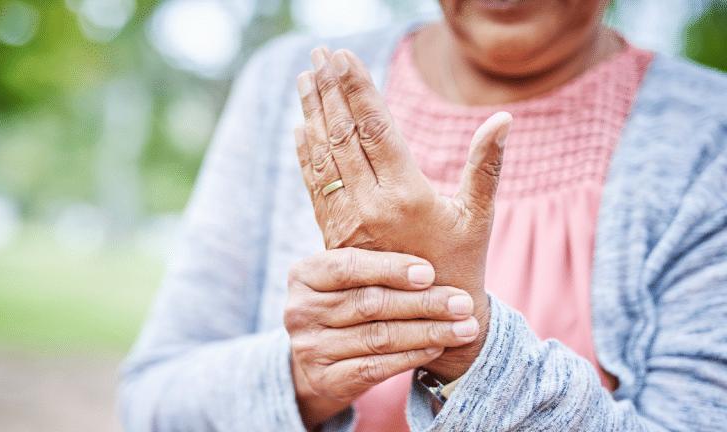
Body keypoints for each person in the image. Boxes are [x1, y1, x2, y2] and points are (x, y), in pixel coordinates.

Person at [118, 0, 727, 430]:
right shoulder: (290, 87)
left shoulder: (707, 134)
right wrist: (302, 376)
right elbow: (153, 402)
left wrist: (467, 347)